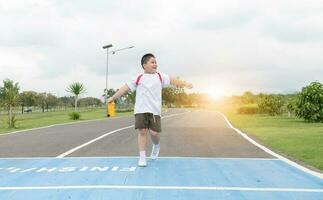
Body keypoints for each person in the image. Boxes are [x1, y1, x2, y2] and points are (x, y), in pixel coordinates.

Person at [107, 53, 193, 167]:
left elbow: (173, 80)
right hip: (141, 110)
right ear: (144, 65)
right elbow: (124, 88)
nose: (155, 64)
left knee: (154, 133)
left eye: (156, 62)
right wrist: (113, 97)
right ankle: (142, 157)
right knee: (142, 131)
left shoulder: (160, 76)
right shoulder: (138, 78)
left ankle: (156, 145)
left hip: (155, 111)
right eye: (152, 62)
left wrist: (185, 84)